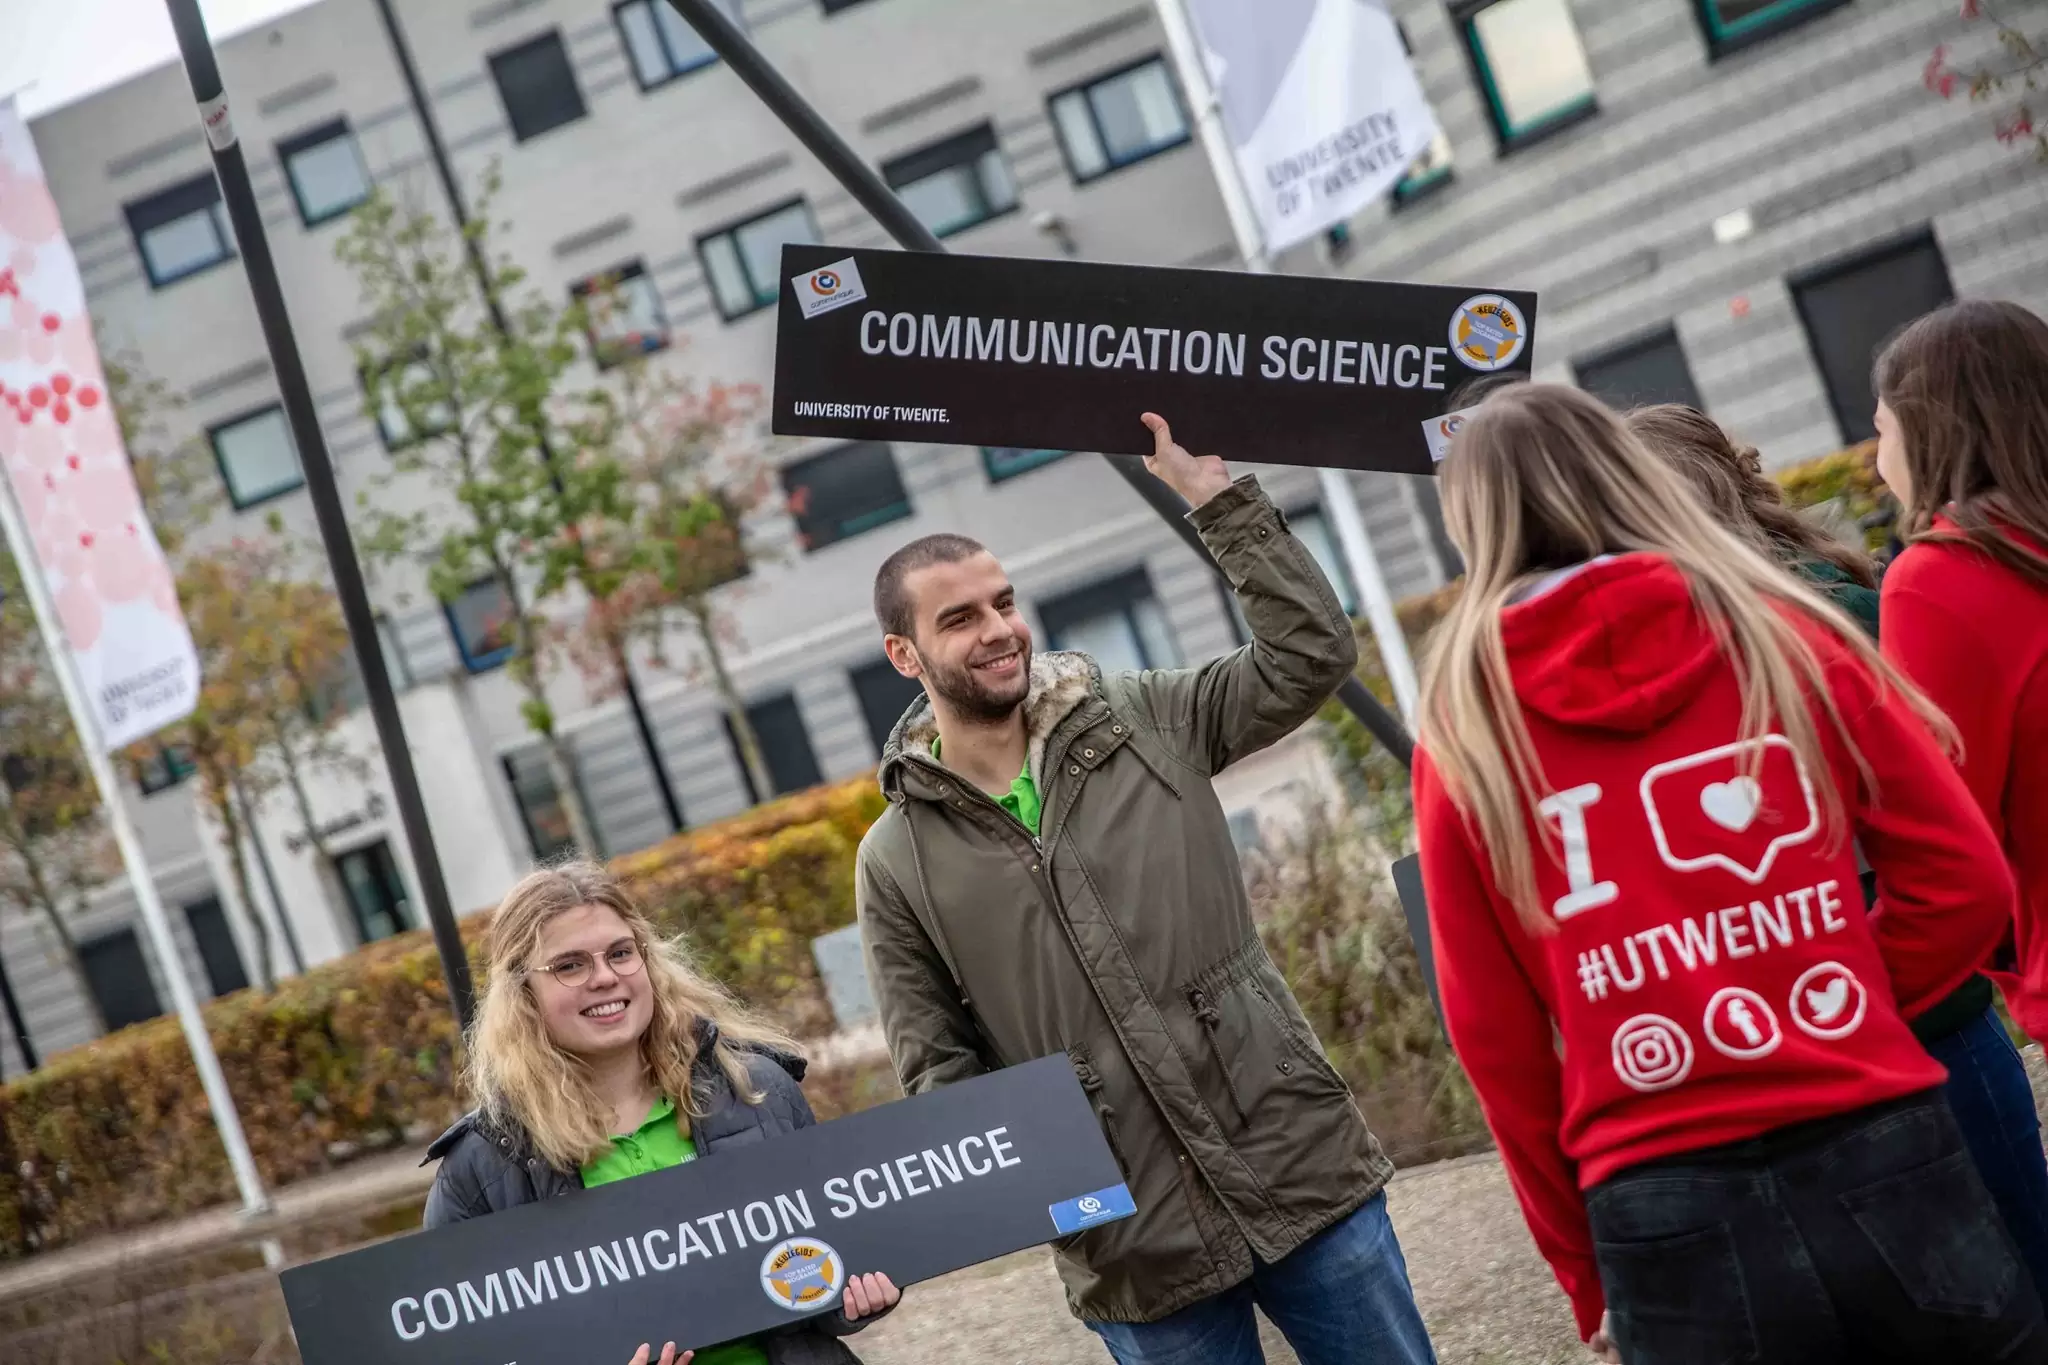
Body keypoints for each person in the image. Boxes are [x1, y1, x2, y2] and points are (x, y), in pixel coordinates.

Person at [1413, 382, 2041, 1364]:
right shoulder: (1777, 629)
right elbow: (1962, 878)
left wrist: (1584, 1275)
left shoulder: (1462, 723)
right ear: (1623, 471)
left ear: (1469, 522)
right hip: (1870, 1129)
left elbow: (1494, 1044)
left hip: (1655, 1195)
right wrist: (1834, 1005)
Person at [855, 414, 1436, 1365]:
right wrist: (1049, 1193)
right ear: (904, 655)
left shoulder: (1145, 718)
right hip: (1131, 1240)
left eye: (1003, 602)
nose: (999, 630)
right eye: (960, 618)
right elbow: (939, 1070)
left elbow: (1309, 656)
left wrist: (1221, 504)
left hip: (1295, 1158)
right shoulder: (896, 858)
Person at [1627, 401, 2048, 1296]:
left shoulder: (1820, 616)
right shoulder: (1820, 601)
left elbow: (1948, 831)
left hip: (1889, 1027)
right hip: (1906, 1023)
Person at [422, 862, 901, 1365]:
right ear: (522, 992)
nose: (605, 977)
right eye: (570, 965)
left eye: (621, 953)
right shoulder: (481, 1166)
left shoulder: (757, 1088)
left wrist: (853, 1294)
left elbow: (824, 1260)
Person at [1874, 299, 2048, 1288]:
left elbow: (1944, 837)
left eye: (1882, 420)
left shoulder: (1938, 577)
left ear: (1934, 425)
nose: (1872, 443)